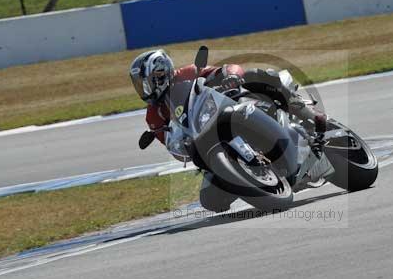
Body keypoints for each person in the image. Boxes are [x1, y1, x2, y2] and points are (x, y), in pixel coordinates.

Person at [129, 49, 327, 211]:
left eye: (145, 83)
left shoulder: (187, 73)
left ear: (161, 73)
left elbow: (225, 69)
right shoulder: (153, 115)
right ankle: (253, 179)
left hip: (227, 111)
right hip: (204, 142)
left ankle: (310, 114)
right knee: (210, 200)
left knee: (258, 76)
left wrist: (231, 76)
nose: (143, 89)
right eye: (139, 85)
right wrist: (178, 146)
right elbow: (173, 144)